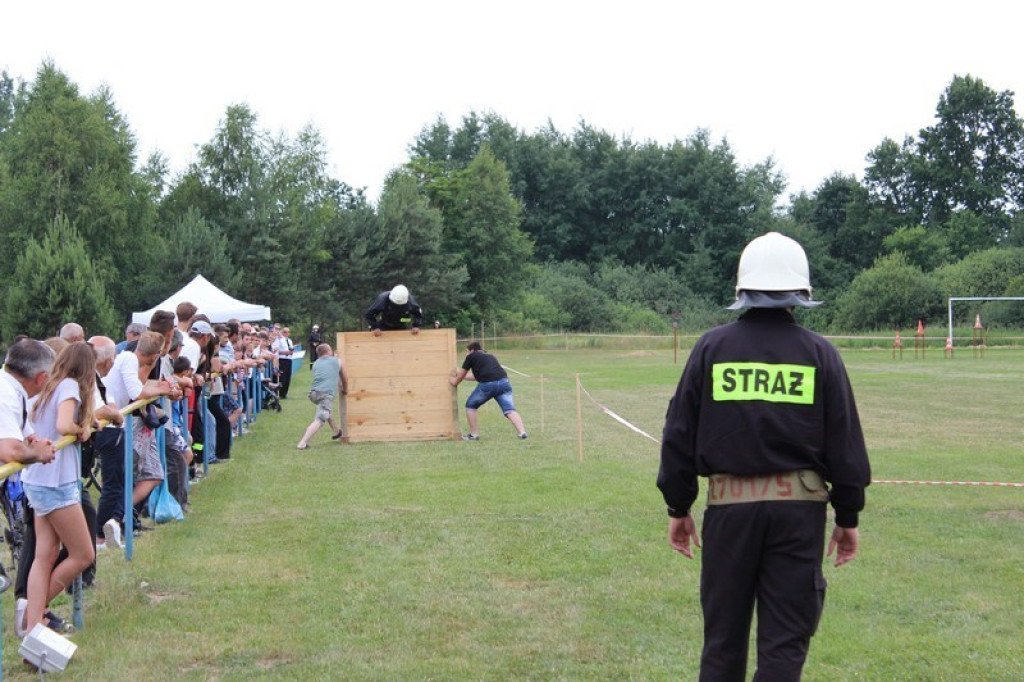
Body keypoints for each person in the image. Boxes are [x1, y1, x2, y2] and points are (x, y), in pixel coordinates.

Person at [656, 232, 871, 681]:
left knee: (722, 647)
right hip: (798, 518)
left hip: (729, 513)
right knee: (783, 648)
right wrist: (848, 516)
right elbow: (846, 444)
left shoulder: (711, 349)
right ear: (801, 292)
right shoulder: (820, 354)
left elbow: (678, 433)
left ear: (743, 289)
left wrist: (679, 506)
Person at [20, 342, 97, 637]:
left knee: (46, 554)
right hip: (55, 483)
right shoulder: (69, 387)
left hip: (38, 479)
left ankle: (33, 623)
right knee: (82, 554)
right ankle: (33, 613)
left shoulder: (48, 386)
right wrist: (82, 429)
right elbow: (65, 424)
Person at [449, 341, 527, 441]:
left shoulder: (471, 356)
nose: (466, 354)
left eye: (467, 351)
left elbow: (461, 374)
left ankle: (474, 435)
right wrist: (461, 376)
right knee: (509, 409)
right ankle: (522, 432)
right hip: (504, 383)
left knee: (470, 406)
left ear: (472, 350)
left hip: (489, 384)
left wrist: (454, 381)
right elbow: (478, 376)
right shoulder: (489, 356)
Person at [296, 344, 348, 449]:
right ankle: (302, 443)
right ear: (329, 350)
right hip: (325, 393)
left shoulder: (315, 364)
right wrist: (345, 390)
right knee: (321, 418)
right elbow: (345, 379)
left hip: (313, 393)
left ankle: (336, 432)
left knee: (326, 410)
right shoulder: (337, 361)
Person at [272, 326, 295, 398]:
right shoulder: (279, 340)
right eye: (285, 332)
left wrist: (291, 352)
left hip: (289, 359)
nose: (286, 333)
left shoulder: (290, 340)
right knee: (282, 377)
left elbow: (291, 349)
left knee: (288, 377)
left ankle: (285, 393)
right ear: (282, 332)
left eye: (288, 332)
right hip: (282, 359)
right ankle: (280, 393)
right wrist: (285, 352)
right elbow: (276, 351)